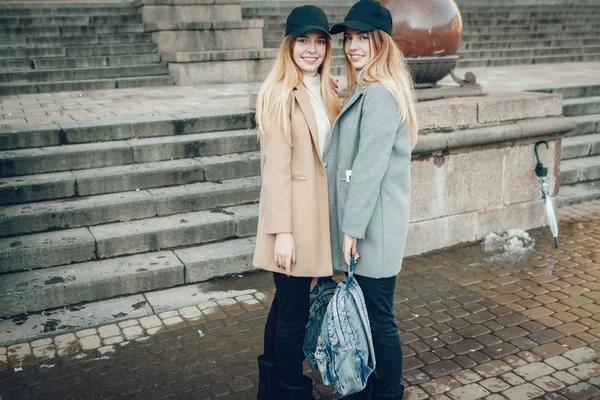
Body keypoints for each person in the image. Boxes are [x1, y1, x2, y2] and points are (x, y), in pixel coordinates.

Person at [324, 1, 419, 399]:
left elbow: (368, 168)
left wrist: (351, 229)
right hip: (372, 223)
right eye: (349, 39)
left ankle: (388, 393)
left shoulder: (379, 94)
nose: (353, 46)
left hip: (371, 227)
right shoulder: (368, 88)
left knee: (378, 319)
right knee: (372, 316)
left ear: (381, 42)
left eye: (363, 38)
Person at [252, 5, 341, 400]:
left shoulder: (324, 88)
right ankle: (290, 389)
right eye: (303, 41)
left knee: (285, 305)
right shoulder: (278, 93)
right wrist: (281, 232)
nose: (311, 50)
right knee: (294, 310)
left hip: (317, 217)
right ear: (289, 44)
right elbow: (274, 169)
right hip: (293, 221)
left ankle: (271, 387)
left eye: (319, 42)